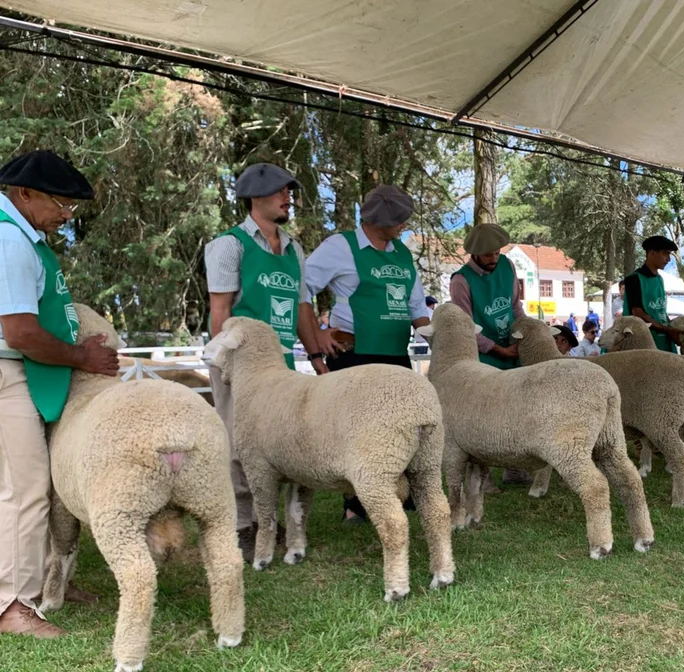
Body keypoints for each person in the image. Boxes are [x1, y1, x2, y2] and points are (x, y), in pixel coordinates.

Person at [0, 150, 117, 638]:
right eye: (60, 203)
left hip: (22, 373)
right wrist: (82, 358)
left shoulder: (26, 237)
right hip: (8, 372)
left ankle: (47, 579)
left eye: (72, 207)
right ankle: (13, 603)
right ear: (24, 193)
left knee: (39, 485)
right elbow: (21, 332)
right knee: (23, 490)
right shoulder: (9, 240)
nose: (67, 215)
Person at [205, 163, 322, 560]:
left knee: (282, 440)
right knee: (239, 444)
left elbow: (302, 307)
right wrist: (226, 365)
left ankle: (275, 518)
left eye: (289, 191)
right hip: (240, 362)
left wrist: (318, 355)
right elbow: (219, 311)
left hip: (282, 362)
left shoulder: (293, 249)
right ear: (255, 198)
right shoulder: (230, 245)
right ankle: (241, 524)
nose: (288, 197)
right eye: (279, 191)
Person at [304, 184, 431, 519]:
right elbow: (300, 287)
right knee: (356, 429)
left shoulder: (402, 253)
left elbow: (416, 305)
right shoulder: (340, 247)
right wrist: (316, 334)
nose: (405, 225)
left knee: (400, 424)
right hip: (353, 352)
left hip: (395, 353)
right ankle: (355, 503)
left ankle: (399, 494)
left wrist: (439, 333)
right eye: (400, 219)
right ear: (382, 219)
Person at [449, 222, 524, 368]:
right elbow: (467, 328)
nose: (494, 259)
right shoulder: (461, 281)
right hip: (484, 362)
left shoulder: (507, 265)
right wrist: (501, 351)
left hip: (513, 352)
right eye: (488, 255)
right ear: (475, 253)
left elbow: (515, 306)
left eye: (497, 253)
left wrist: (526, 329)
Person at [622, 235, 684, 352]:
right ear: (652, 253)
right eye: (665, 253)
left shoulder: (660, 279)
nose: (668, 259)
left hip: (664, 339)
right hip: (644, 342)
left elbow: (661, 311)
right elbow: (638, 312)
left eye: (669, 254)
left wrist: (671, 328)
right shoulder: (634, 279)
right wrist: (667, 330)